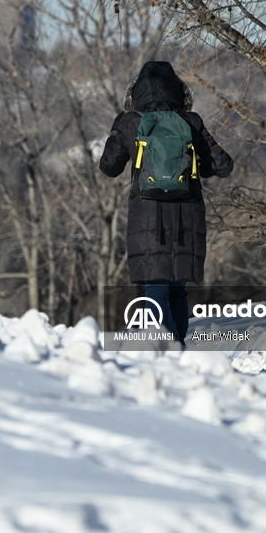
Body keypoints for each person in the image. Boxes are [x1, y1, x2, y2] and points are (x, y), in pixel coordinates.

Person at [99, 61, 234, 344]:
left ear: (136, 93)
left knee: (155, 285)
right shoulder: (191, 122)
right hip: (187, 213)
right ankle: (177, 346)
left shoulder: (130, 122)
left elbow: (108, 167)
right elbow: (222, 166)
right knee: (177, 289)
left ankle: (165, 349)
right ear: (178, 91)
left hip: (147, 214)